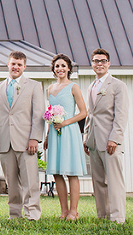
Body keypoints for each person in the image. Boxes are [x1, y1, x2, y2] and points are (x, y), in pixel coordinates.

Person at [0, 50, 45, 220]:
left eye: (19, 64)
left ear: (24, 66)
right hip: (5, 141)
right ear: (8, 64)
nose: (16, 67)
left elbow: (38, 114)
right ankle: (14, 214)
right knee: (11, 183)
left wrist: (35, 137)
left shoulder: (35, 86)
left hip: (27, 141)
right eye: (13, 63)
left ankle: (32, 213)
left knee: (30, 182)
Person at [83, 48, 129, 224]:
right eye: (96, 61)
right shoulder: (91, 86)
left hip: (110, 141)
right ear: (92, 64)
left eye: (102, 61)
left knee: (114, 181)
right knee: (98, 182)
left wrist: (115, 138)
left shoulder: (118, 85)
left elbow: (121, 115)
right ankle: (103, 215)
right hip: (93, 140)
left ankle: (118, 218)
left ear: (108, 64)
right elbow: (90, 114)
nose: (99, 64)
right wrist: (86, 137)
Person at [44, 53, 87, 221]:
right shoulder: (50, 89)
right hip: (55, 132)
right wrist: (48, 135)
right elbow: (50, 113)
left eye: (63, 66)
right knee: (56, 172)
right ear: (53, 70)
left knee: (71, 172)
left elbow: (84, 112)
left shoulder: (74, 87)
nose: (60, 69)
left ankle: (73, 211)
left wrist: (65, 123)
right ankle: (63, 210)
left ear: (68, 68)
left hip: (69, 131)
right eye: (57, 66)